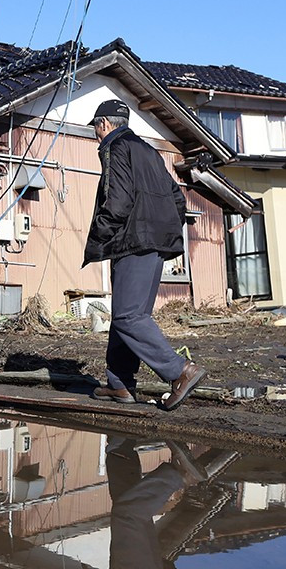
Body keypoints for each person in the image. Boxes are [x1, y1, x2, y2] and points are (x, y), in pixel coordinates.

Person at [83, 99, 205, 410]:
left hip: (133, 241)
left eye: (96, 129)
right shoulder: (149, 151)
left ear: (104, 125)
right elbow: (177, 199)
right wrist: (163, 231)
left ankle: (180, 371)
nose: (96, 135)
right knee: (129, 314)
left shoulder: (115, 147)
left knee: (128, 316)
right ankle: (120, 383)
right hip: (156, 243)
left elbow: (118, 200)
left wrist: (100, 232)